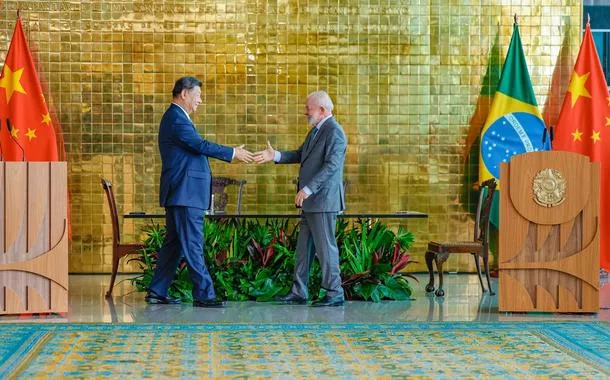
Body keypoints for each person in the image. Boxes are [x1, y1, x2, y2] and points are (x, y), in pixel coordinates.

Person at [146, 76, 253, 308]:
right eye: (197, 95)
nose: (200, 101)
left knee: (174, 244)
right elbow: (199, 145)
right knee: (192, 242)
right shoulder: (176, 119)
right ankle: (204, 294)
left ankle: (157, 291)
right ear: (184, 93)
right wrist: (232, 152)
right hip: (185, 194)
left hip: (183, 193)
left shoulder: (177, 117)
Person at [254, 90, 347, 306]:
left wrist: (307, 189)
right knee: (303, 249)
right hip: (311, 203)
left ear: (322, 110)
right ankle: (299, 292)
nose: (305, 112)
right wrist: (274, 155)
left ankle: (334, 293)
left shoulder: (335, 132)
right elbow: (300, 154)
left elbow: (332, 166)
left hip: (322, 201)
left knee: (326, 249)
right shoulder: (316, 131)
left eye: (309, 108)